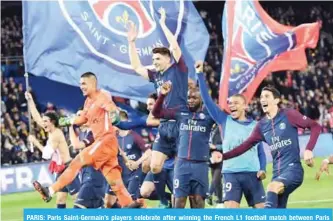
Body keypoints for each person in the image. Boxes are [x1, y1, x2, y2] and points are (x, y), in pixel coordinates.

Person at [32, 72, 143, 208]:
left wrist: (115, 115)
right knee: (117, 186)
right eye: (80, 84)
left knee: (77, 162)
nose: (81, 86)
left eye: (83, 83)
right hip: (106, 146)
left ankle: (50, 191)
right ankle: (135, 210)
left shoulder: (102, 97)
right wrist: (62, 121)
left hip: (105, 140)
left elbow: (112, 108)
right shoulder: (88, 101)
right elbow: (82, 119)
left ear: (93, 84)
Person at [220, 85, 321, 208]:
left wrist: (309, 149)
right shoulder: (261, 126)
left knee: (272, 188)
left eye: (267, 96)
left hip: (293, 170)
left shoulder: (289, 114)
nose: (262, 99)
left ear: (276, 100)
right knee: (278, 211)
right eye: (261, 97)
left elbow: (315, 126)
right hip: (276, 174)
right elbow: (244, 146)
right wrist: (223, 156)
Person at [127, 8, 188, 205]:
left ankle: (189, 198)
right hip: (164, 125)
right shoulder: (157, 76)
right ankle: (165, 201)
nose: (154, 62)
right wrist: (132, 42)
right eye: (153, 60)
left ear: (168, 59)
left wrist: (162, 23)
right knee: (154, 166)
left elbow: (175, 46)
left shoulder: (179, 70)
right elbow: (136, 67)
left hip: (181, 123)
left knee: (182, 168)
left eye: (158, 59)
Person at [196, 61, 267, 209]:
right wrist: (200, 74)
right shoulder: (224, 120)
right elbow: (207, 101)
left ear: (245, 106)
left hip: (252, 174)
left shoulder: (255, 126)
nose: (231, 105)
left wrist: (263, 168)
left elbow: (260, 151)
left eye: (235, 103)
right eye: (230, 103)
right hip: (231, 174)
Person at [152, 80, 215, 208]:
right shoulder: (180, 113)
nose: (190, 100)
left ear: (202, 99)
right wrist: (162, 96)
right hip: (182, 165)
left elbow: (223, 114)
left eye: (194, 98)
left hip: (200, 165)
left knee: (198, 202)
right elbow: (156, 113)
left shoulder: (209, 116)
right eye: (188, 97)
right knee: (179, 202)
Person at [25, 92, 80, 208]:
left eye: (45, 121)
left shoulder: (56, 135)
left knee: (78, 200)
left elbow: (46, 154)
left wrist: (35, 142)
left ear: (52, 122)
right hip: (61, 170)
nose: (42, 123)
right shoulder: (51, 130)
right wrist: (30, 101)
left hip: (67, 168)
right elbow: (36, 118)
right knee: (60, 199)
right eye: (44, 121)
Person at [69, 110, 106, 209]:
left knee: (77, 209)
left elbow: (76, 145)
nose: (77, 118)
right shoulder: (84, 134)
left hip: (93, 177)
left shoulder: (93, 133)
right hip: (88, 175)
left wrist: (71, 126)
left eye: (79, 115)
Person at [206, 125, 223, 207]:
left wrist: (216, 147)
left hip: (222, 157)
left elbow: (227, 143)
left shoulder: (221, 127)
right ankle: (220, 201)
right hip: (212, 157)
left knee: (216, 178)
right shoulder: (209, 128)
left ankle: (209, 193)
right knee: (217, 181)